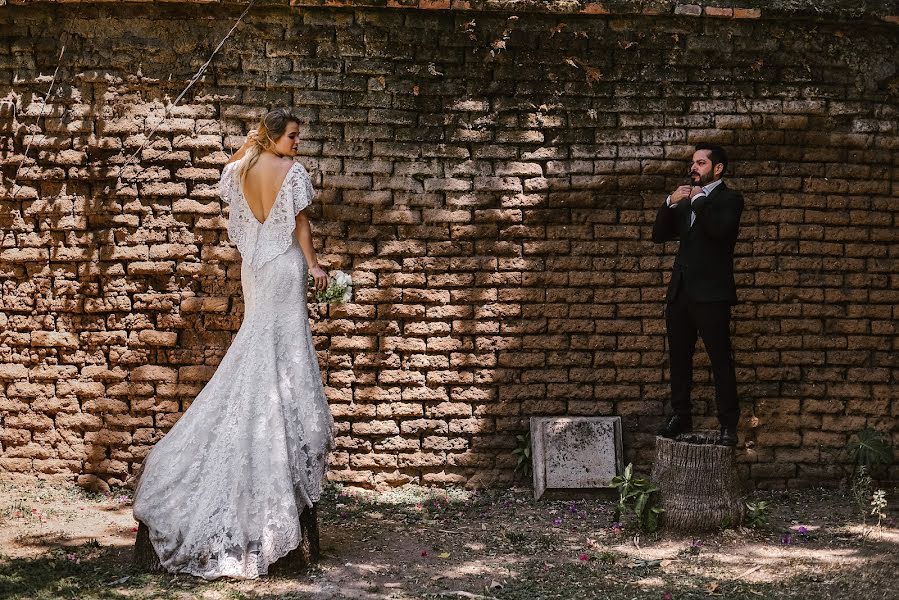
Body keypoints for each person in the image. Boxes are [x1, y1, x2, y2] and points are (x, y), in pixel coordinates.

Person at [133, 108, 335, 579]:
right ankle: (279, 432)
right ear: (276, 137)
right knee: (280, 348)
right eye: (292, 137)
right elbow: (301, 225)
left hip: (256, 270)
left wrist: (252, 144)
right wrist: (317, 264)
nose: (297, 144)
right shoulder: (293, 172)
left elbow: (233, 173)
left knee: (258, 342)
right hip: (284, 264)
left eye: (298, 138)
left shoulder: (242, 167)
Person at [652, 143, 744, 447]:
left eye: (701, 163)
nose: (694, 168)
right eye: (693, 163)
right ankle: (682, 415)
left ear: (718, 169)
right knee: (680, 360)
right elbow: (658, 235)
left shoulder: (730, 199)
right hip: (680, 294)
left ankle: (728, 425)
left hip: (712, 295)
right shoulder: (687, 198)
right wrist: (669, 202)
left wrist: (699, 200)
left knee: (720, 361)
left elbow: (719, 231)